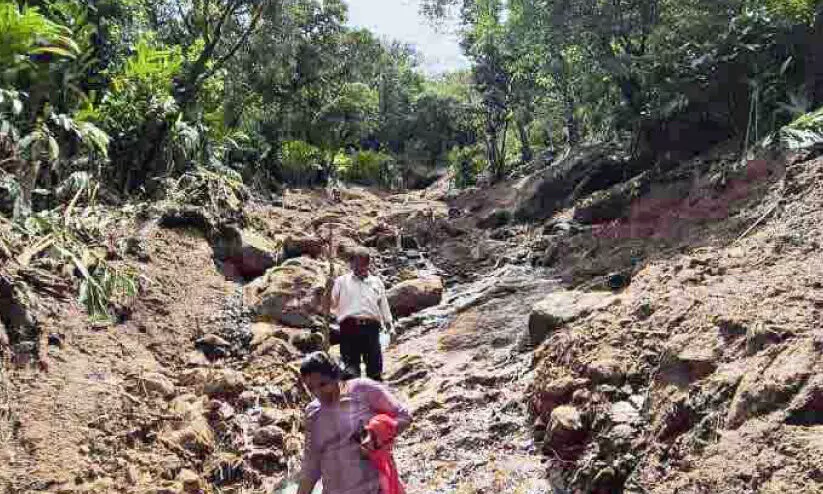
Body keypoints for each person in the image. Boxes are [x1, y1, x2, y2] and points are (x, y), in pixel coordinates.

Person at [297, 352, 412, 494]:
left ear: (336, 375)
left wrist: (376, 435)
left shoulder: (363, 390)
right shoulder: (313, 413)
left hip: (375, 487)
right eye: (311, 388)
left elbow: (404, 416)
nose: (318, 392)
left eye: (323, 384)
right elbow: (311, 463)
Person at [331, 247, 393, 381]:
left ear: (367, 264)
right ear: (351, 264)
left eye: (362, 263)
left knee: (375, 368)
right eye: (356, 263)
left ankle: (375, 392)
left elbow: (383, 303)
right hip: (349, 327)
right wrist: (327, 290)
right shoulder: (341, 281)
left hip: (371, 328)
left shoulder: (376, 282)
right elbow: (332, 303)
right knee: (350, 370)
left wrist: (388, 322)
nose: (359, 267)